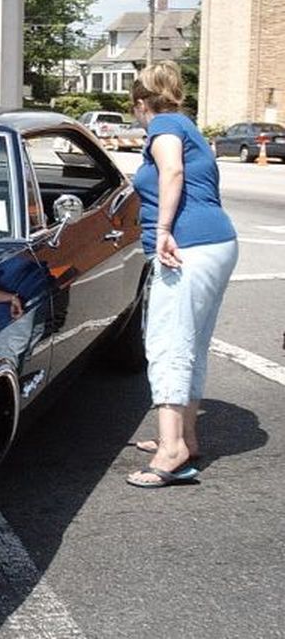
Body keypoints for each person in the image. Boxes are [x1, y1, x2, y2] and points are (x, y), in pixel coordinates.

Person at [125, 61, 238, 488]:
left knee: (168, 344)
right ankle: (185, 438)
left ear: (141, 103)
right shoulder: (188, 126)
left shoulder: (164, 126)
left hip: (187, 246)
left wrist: (162, 231)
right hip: (217, 242)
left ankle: (171, 450)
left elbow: (171, 170)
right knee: (190, 343)